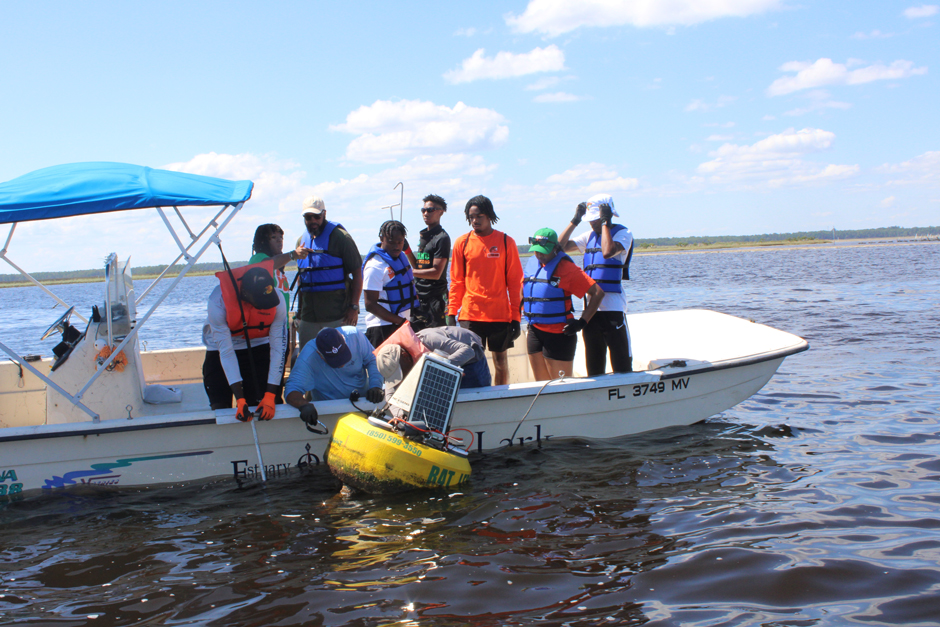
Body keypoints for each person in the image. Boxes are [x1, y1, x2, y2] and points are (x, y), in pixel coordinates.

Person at [447, 195, 524, 386]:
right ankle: (476, 397)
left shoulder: (506, 242)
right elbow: (456, 282)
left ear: (489, 216)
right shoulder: (461, 243)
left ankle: (500, 397)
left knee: (500, 362)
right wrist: (451, 312)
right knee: (470, 362)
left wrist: (516, 317)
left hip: (499, 315)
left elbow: (515, 283)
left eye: (479, 216)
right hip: (470, 315)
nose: (475, 220)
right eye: (471, 217)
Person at [557, 193, 635, 374]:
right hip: (591, 312)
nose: (592, 223)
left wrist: (606, 222)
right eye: (589, 220)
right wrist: (575, 221)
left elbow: (608, 252)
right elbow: (559, 248)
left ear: (606, 216)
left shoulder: (624, 233)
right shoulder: (588, 236)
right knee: (594, 366)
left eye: (596, 219)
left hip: (613, 309)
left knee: (622, 365)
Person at [202, 261, 287, 422]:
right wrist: (240, 399)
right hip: (220, 349)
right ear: (245, 295)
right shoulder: (217, 302)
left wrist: (270, 394)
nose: (264, 308)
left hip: (258, 344)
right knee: (220, 407)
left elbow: (278, 349)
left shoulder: (278, 300)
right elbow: (226, 352)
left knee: (266, 404)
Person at [523, 228, 605, 380]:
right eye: (536, 250)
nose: (539, 254)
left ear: (555, 248)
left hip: (559, 334)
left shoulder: (566, 268)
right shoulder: (533, 263)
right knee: (541, 385)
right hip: (534, 332)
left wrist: (582, 322)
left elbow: (598, 293)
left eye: (543, 251)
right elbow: (526, 291)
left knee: (561, 386)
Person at [294, 196, 363, 351]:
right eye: (308, 217)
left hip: (337, 315)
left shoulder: (341, 238)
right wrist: (299, 312)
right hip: (308, 316)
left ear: (324, 214)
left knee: (339, 359)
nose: (313, 221)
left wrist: (353, 307)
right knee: (308, 357)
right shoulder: (301, 242)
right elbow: (301, 279)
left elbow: (357, 274)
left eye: (316, 216)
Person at [285, 326, 384, 428]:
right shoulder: (308, 356)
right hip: (330, 410)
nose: (341, 364)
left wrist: (376, 385)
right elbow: (291, 389)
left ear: (344, 339)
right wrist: (303, 405)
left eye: (343, 355)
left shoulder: (354, 335)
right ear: (319, 354)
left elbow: (373, 359)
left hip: (363, 403)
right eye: (334, 360)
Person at [248, 224, 308, 365]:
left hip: (282, 328)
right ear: (263, 241)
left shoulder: (280, 265)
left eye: (281, 237)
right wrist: (292, 255)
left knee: (279, 369)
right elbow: (269, 264)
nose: (279, 241)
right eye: (273, 237)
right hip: (265, 330)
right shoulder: (258, 259)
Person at [374, 323, 491, 392]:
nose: (402, 377)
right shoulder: (391, 360)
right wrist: (397, 415)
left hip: (470, 358)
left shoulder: (428, 340)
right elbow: (391, 391)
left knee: (473, 396)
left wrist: (438, 368)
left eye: (400, 372)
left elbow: (468, 351)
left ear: (404, 357)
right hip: (442, 361)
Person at [362, 220, 417, 347]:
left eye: (400, 242)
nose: (396, 247)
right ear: (382, 238)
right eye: (391, 242)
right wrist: (401, 321)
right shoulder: (375, 266)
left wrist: (405, 323)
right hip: (381, 329)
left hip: (402, 325)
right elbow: (370, 304)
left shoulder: (401, 258)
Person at [405, 194, 451, 331]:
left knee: (438, 341)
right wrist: (407, 250)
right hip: (419, 298)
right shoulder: (424, 237)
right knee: (417, 340)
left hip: (435, 299)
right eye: (423, 210)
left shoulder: (442, 238)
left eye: (430, 210)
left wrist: (408, 272)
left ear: (441, 212)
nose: (426, 213)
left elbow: (436, 273)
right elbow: (418, 267)